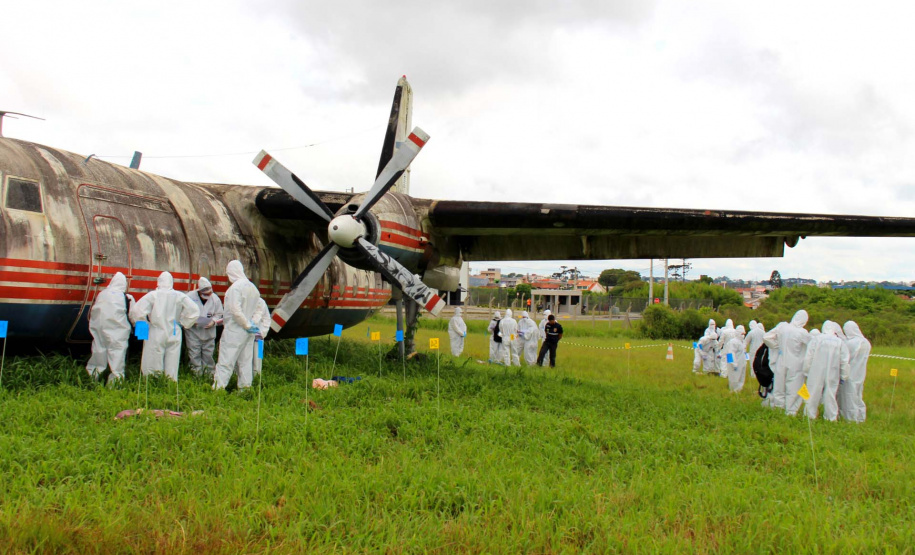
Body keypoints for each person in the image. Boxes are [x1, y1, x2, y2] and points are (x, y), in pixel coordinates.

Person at [129, 271, 200, 381]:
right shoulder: (179, 296)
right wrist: (184, 323)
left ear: (158, 282)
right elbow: (195, 311)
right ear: (172, 282)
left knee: (153, 359)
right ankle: (170, 383)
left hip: (156, 331)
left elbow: (137, 311)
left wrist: (143, 329)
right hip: (174, 331)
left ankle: (153, 382)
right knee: (172, 360)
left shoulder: (153, 295)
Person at [213, 260, 262, 390]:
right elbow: (259, 308)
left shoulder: (234, 288)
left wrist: (246, 324)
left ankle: (218, 389)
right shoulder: (253, 288)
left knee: (226, 361)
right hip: (249, 333)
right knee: (245, 362)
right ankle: (245, 389)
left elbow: (235, 310)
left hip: (234, 330)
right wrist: (253, 323)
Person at [86, 272, 135, 385]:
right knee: (117, 355)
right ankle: (115, 382)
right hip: (118, 331)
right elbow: (134, 315)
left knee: (98, 352)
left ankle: (92, 378)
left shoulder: (102, 294)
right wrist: (141, 331)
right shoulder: (127, 297)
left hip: (99, 329)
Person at [763, 309, 811, 414]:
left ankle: (778, 409)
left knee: (779, 386)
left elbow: (766, 337)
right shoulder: (802, 332)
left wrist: (776, 346)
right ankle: (790, 411)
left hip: (781, 360)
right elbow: (812, 345)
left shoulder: (782, 327)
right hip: (796, 363)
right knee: (793, 388)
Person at [802, 321, 850, 420]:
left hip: (815, 371)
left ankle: (809, 416)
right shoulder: (839, 342)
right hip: (833, 372)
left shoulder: (816, 339)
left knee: (812, 393)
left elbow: (808, 357)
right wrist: (844, 375)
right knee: (830, 395)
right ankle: (831, 418)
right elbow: (844, 361)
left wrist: (806, 371)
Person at [184, 277, 224, 376]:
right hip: (193, 332)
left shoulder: (215, 299)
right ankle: (196, 374)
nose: (208, 296)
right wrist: (192, 320)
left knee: (208, 354)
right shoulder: (189, 297)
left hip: (209, 333)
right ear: (199, 291)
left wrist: (213, 322)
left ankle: (209, 375)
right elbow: (183, 313)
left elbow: (219, 314)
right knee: (194, 354)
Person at [838, 321, 870, 422]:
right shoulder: (865, 342)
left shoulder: (851, 343)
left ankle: (850, 419)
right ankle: (860, 416)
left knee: (848, 396)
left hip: (850, 374)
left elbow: (845, 357)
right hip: (860, 373)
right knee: (858, 395)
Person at [726, 325, 747, 392]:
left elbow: (744, 352)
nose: (743, 336)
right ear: (738, 333)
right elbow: (730, 353)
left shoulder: (742, 342)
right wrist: (733, 363)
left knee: (741, 377)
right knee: (734, 377)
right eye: (741, 334)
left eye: (744, 334)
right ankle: (733, 390)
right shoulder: (733, 342)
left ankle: (739, 390)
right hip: (735, 364)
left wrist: (746, 360)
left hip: (742, 363)